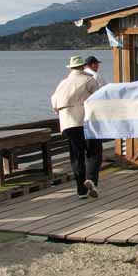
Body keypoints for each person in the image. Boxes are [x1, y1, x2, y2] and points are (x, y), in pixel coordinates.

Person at [51, 56, 100, 198]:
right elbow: (97, 99)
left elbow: (54, 104)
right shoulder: (89, 80)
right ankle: (90, 179)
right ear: (84, 66)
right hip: (85, 120)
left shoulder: (62, 83)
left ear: (71, 68)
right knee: (94, 152)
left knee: (76, 156)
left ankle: (81, 191)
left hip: (67, 123)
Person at [82, 55, 106, 185]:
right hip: (93, 117)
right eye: (97, 64)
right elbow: (103, 93)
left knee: (82, 152)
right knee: (95, 151)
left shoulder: (75, 79)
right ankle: (91, 179)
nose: (98, 66)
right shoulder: (95, 77)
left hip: (76, 120)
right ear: (92, 64)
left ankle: (83, 180)